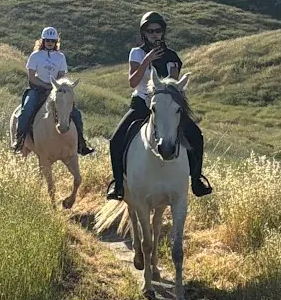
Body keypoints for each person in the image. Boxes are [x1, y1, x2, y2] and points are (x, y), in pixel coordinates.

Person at [106, 11, 213, 200]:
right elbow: (133, 81)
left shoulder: (172, 56)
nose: (154, 34)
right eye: (150, 31)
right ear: (144, 33)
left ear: (163, 33)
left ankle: (196, 180)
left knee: (196, 135)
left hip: (164, 105)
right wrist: (147, 60)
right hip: (141, 102)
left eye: (158, 31)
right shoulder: (137, 53)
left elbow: (173, 82)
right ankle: (119, 184)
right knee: (116, 139)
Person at [13, 27, 94, 156]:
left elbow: (61, 76)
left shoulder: (60, 57)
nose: (50, 42)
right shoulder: (35, 56)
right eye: (47, 40)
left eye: (52, 40)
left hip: (56, 91)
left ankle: (81, 144)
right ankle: (19, 141)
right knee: (26, 110)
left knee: (76, 114)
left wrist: (56, 87)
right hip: (37, 89)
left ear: (56, 42)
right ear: (43, 40)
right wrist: (46, 86)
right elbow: (31, 78)